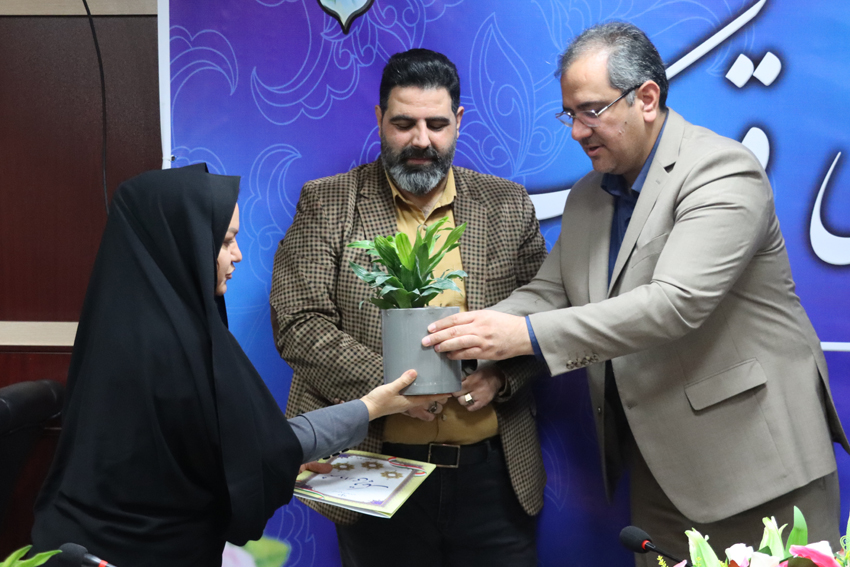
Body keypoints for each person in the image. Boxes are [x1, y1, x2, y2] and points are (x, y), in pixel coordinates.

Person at [422, 22, 850, 564]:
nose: (577, 132)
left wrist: (522, 336)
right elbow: (550, 292)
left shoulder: (721, 170)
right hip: (661, 472)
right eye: (569, 115)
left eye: (591, 111)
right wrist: (469, 336)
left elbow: (674, 304)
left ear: (646, 98)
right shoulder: (588, 195)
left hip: (759, 467)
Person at [30, 164, 445, 567]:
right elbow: (261, 448)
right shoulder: (170, 347)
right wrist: (372, 407)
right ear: (185, 241)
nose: (239, 255)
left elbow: (209, 452)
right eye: (225, 241)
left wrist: (266, 454)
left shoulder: (127, 325)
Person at [270, 49, 548, 566]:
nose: (421, 140)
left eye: (436, 124)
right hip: (372, 469)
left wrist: (499, 378)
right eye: (403, 123)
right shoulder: (328, 203)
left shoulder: (507, 205)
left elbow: (547, 321)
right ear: (379, 118)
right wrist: (394, 389)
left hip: (493, 477)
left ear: (458, 121)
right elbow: (299, 324)